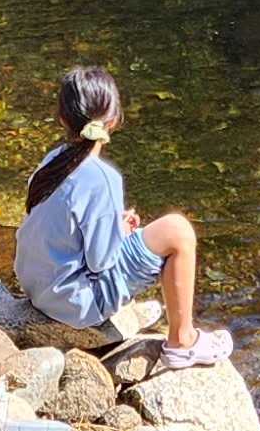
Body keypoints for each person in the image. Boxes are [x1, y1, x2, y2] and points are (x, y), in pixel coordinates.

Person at [13, 65, 230, 368]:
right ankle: (183, 342)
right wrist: (122, 234)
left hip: (35, 285)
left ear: (63, 118)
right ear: (112, 121)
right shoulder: (103, 178)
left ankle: (182, 336)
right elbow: (102, 261)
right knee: (178, 232)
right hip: (74, 303)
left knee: (165, 232)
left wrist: (112, 226)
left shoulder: (52, 161)